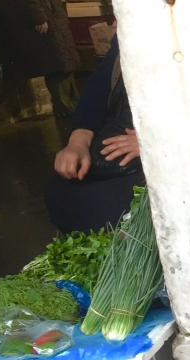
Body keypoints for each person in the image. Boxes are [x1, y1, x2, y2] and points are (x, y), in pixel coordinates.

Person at [45, 36, 144, 234]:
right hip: (126, 127)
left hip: (182, 143)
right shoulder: (133, 23)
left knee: (116, 202)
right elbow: (100, 83)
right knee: (62, 189)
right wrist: (77, 142)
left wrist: (158, 142)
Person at [0, 0, 80, 116]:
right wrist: (38, 16)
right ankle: (66, 108)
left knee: (64, 65)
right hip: (47, 18)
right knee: (58, 66)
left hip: (52, 15)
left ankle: (73, 106)